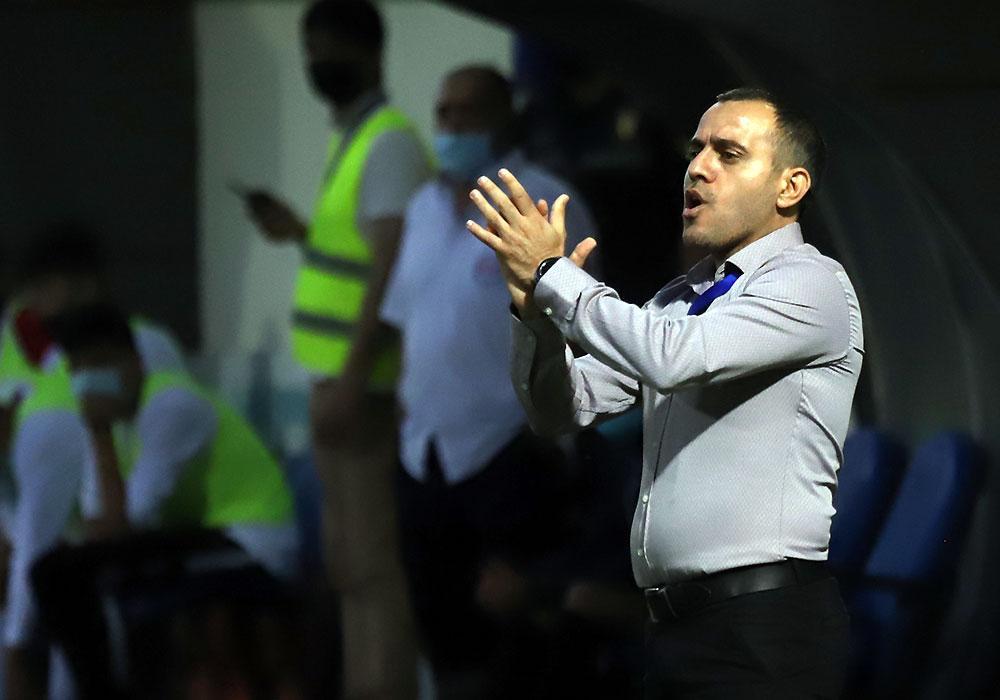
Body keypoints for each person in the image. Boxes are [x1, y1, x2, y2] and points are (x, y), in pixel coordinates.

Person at [467, 87, 863, 699]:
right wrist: (534, 314)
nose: (698, 168)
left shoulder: (811, 283)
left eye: (729, 153)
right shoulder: (684, 299)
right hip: (675, 631)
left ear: (790, 187)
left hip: (764, 629)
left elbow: (672, 357)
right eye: (696, 150)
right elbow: (561, 408)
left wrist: (552, 274)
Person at [378, 64, 599, 696]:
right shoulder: (422, 209)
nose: (451, 127)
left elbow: (585, 327)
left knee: (517, 642)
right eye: (443, 113)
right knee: (443, 630)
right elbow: (408, 322)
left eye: (468, 112)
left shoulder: (545, 203)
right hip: (424, 454)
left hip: (510, 451)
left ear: (504, 117)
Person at [242, 2, 431, 697]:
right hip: (337, 380)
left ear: (370, 53)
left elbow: (391, 268)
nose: (317, 64)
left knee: (371, 565)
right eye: (310, 50)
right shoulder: (351, 139)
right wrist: (299, 232)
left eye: (328, 49)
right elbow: (352, 262)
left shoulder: (388, 143)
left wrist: (351, 381)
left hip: (365, 385)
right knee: (346, 566)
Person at [28, 302, 296, 698]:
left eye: (101, 364)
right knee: (53, 570)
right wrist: (99, 431)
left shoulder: (171, 405)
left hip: (251, 541)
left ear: (135, 362)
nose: (89, 381)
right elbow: (98, 522)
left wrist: (100, 432)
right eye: (79, 370)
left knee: (71, 574)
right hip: (200, 538)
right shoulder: (113, 421)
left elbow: (118, 528)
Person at [0, 225, 187, 699]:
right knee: (58, 587)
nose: (35, 306)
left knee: (59, 588)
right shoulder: (51, 358)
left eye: (45, 291)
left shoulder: (138, 347)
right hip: (93, 507)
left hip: (135, 514)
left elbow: (146, 450)